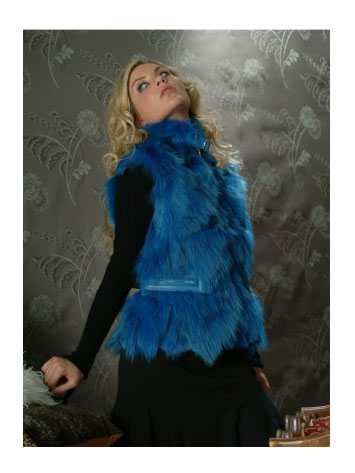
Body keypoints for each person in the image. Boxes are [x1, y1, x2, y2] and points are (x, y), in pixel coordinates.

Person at [41, 59, 284, 446]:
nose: (159, 81)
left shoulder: (224, 175)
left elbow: (236, 277)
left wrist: (252, 360)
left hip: (229, 360)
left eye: (164, 75)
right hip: (165, 362)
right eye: (142, 86)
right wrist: (80, 358)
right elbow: (123, 265)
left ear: (185, 89)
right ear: (137, 119)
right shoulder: (142, 170)